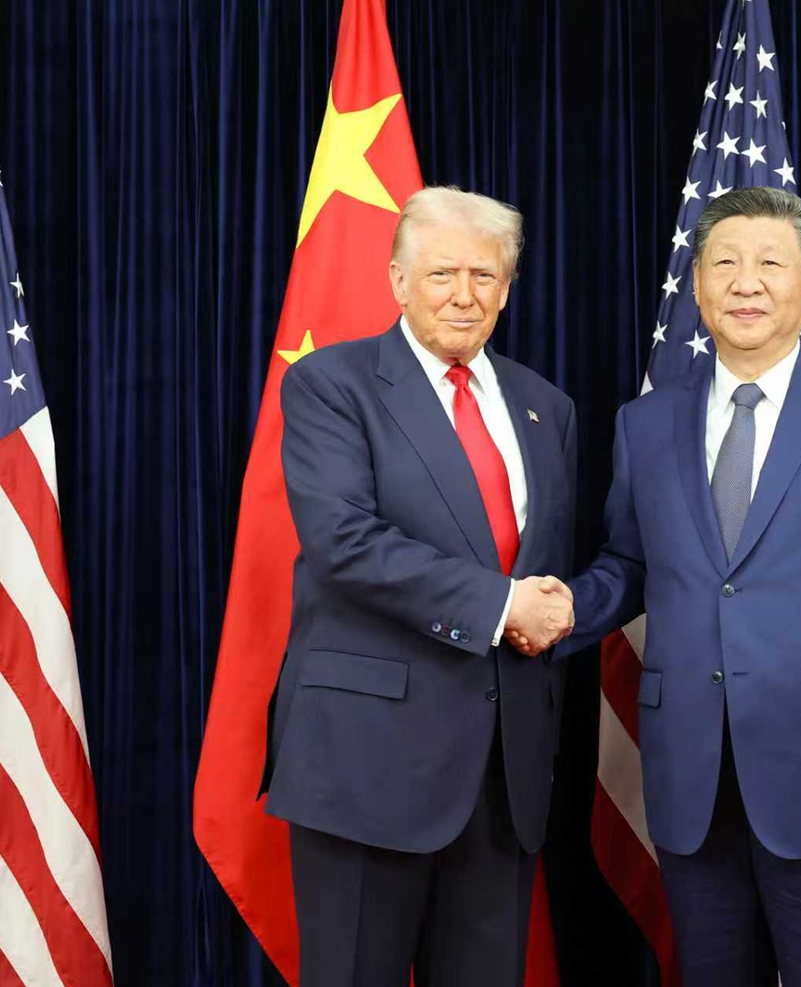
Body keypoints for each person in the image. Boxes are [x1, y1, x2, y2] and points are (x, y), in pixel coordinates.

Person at [535, 187, 801, 985]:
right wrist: (564, 607)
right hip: (692, 778)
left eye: (770, 262)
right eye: (725, 263)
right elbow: (632, 566)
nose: (746, 282)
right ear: (696, 284)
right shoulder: (647, 423)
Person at [262, 186, 577, 987]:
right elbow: (344, 544)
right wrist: (505, 605)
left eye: (484, 274)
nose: (464, 294)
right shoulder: (332, 386)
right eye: (442, 273)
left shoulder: (549, 408)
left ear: (507, 288)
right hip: (367, 764)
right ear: (398, 279)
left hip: (504, 778)